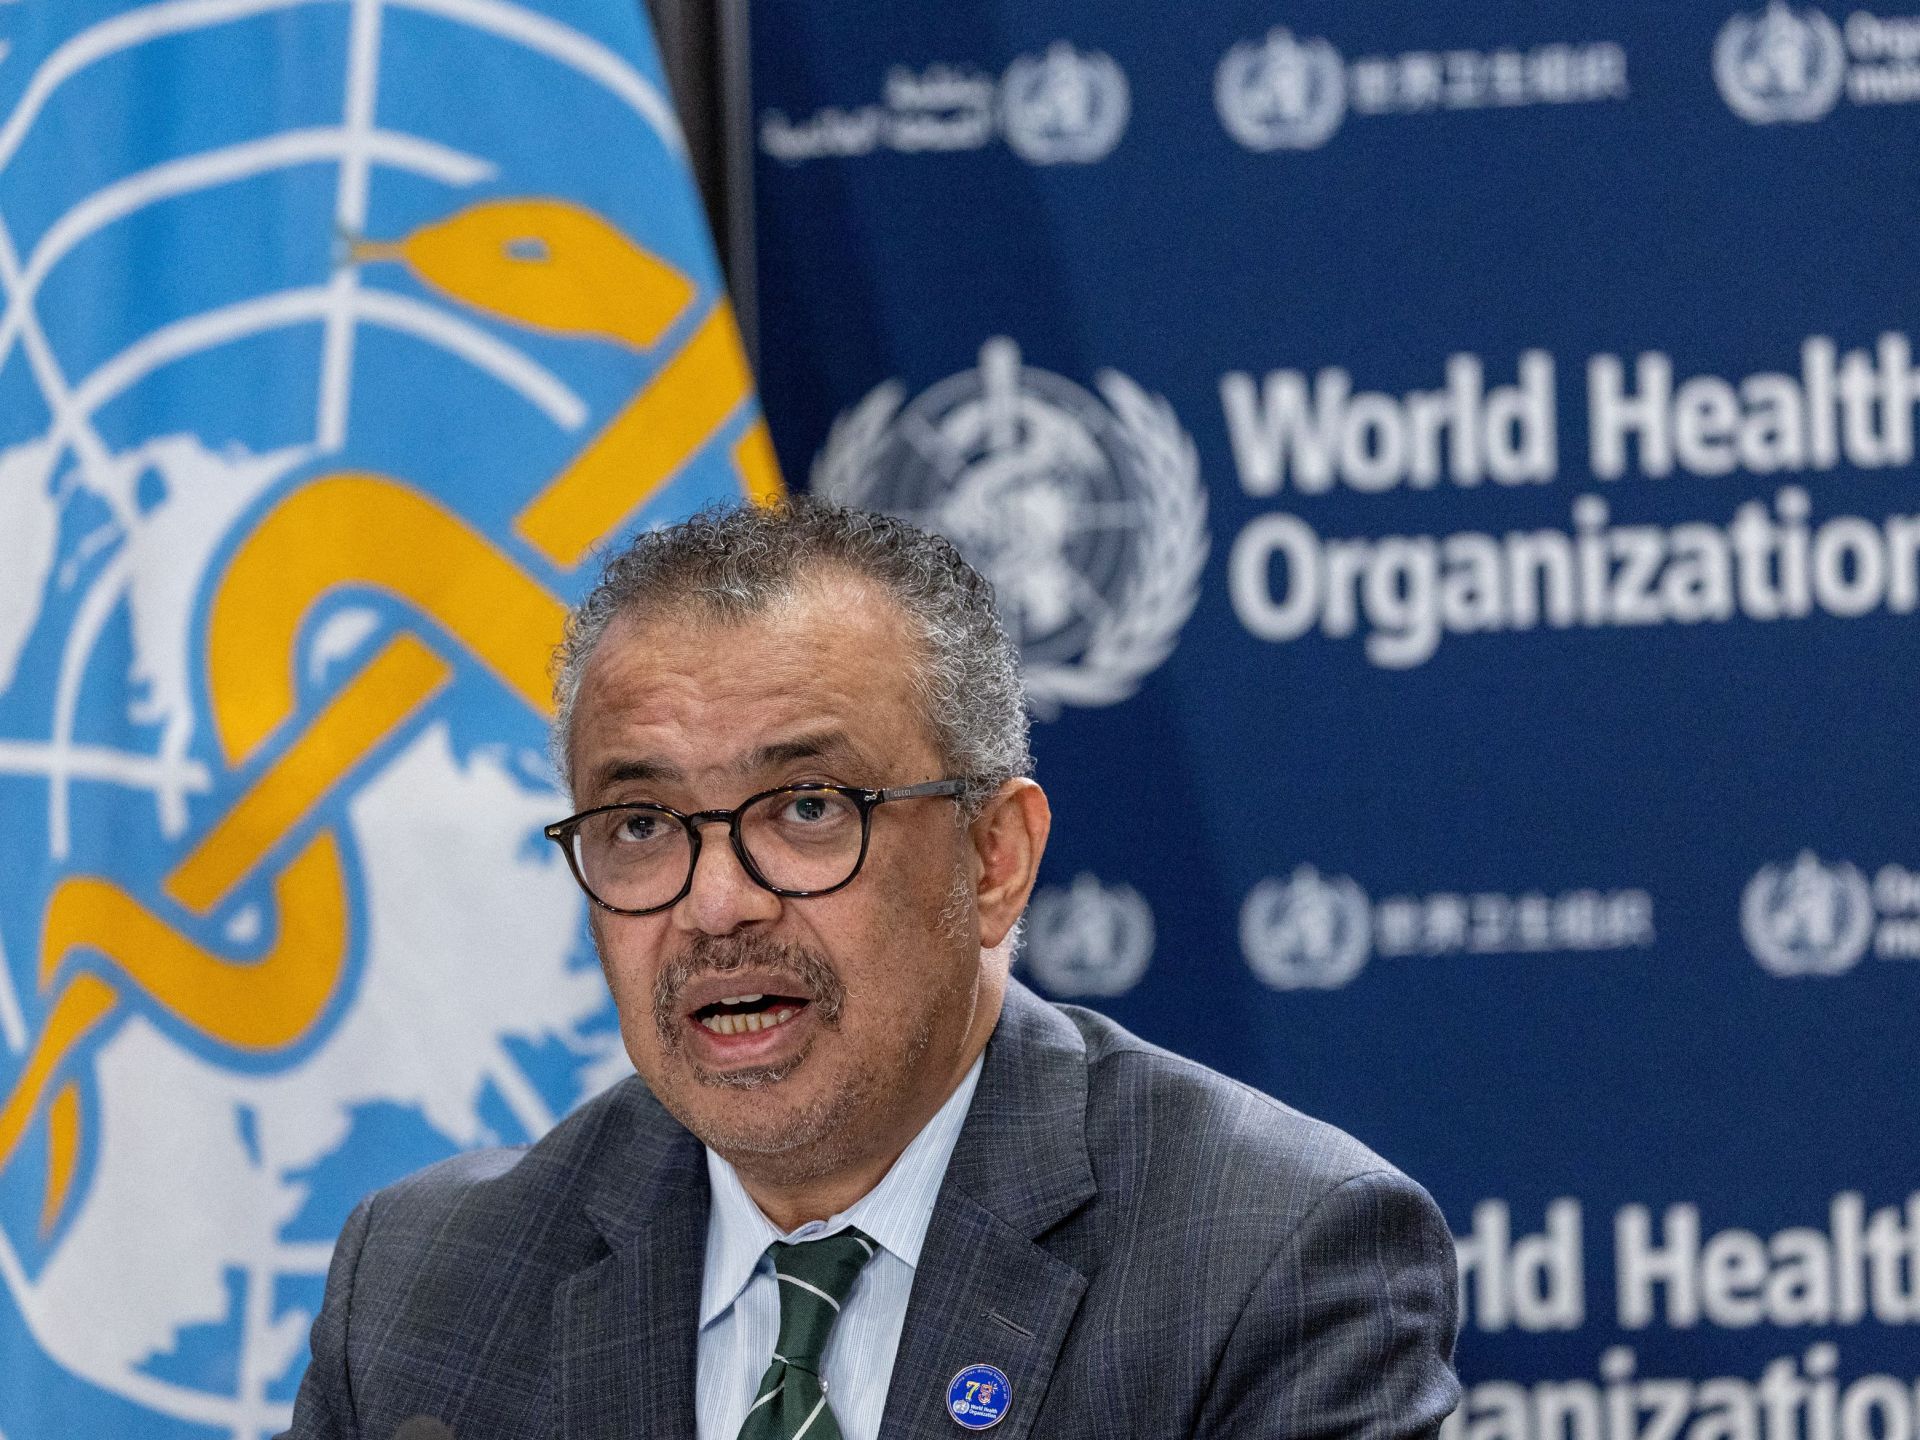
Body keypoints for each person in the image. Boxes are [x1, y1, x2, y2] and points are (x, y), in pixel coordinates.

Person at [284, 500, 1460, 1440]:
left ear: (993, 858)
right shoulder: (425, 1292)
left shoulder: (1265, 1263)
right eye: (640, 824)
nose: (716, 903)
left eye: (806, 806)